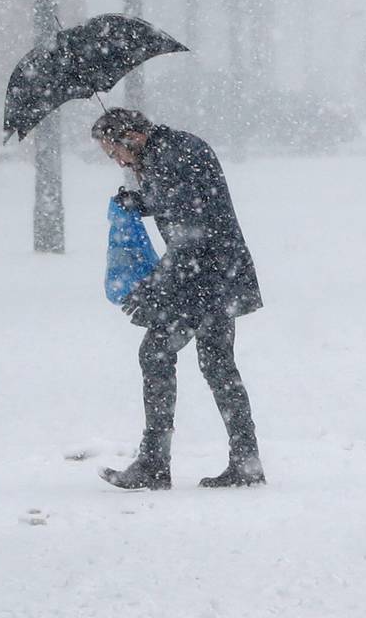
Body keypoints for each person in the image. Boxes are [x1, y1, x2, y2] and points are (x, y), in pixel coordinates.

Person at [92, 108, 265, 491]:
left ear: (132, 137)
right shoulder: (174, 149)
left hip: (201, 277)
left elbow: (190, 232)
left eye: (115, 152)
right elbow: (184, 205)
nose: (118, 161)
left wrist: (153, 286)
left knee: (156, 353)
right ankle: (246, 461)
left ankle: (155, 463)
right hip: (218, 272)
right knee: (218, 363)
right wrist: (142, 202)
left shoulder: (168, 159)